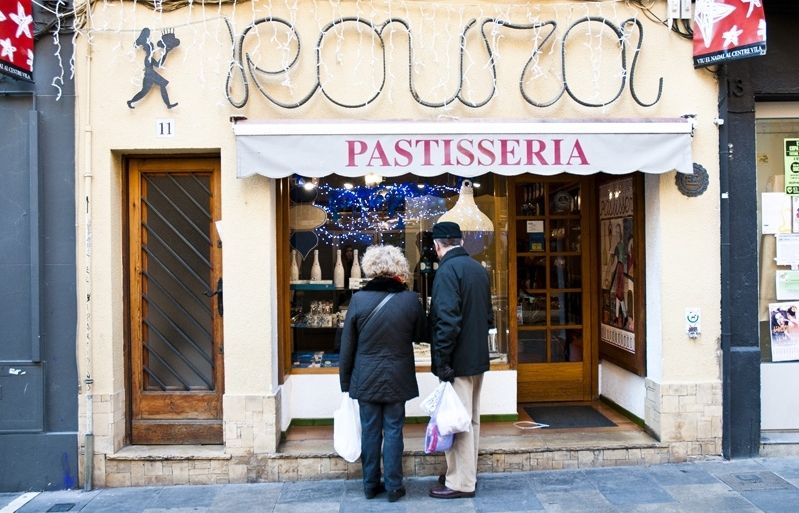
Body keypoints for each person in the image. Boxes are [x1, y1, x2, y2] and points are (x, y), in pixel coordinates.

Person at [339, 245, 427, 502]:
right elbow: (422, 334)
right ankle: (394, 486)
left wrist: (345, 382)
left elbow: (347, 346)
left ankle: (369, 485)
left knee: (369, 430)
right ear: (398, 268)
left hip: (366, 376)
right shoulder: (410, 300)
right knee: (393, 430)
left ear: (371, 268)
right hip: (397, 375)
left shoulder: (358, 299)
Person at [427, 221, 494, 499]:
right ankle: (466, 473)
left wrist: (442, 361)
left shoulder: (447, 271)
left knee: (457, 421)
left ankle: (461, 483)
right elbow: (488, 317)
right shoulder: (478, 269)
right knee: (471, 420)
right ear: (461, 242)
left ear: (437, 246)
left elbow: (447, 321)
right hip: (477, 358)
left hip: (458, 361)